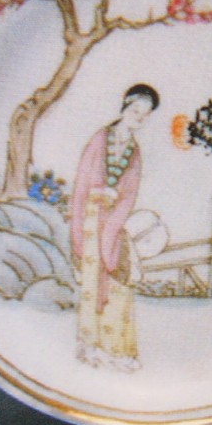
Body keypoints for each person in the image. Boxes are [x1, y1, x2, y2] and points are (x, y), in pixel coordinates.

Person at [70, 84, 160, 371]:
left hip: (113, 226)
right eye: (135, 110)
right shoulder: (101, 138)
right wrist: (79, 223)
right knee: (91, 285)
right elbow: (81, 184)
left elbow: (129, 196)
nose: (139, 117)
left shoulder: (135, 152)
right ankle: (90, 346)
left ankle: (116, 350)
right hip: (89, 220)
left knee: (118, 285)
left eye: (145, 114)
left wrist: (112, 226)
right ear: (125, 107)